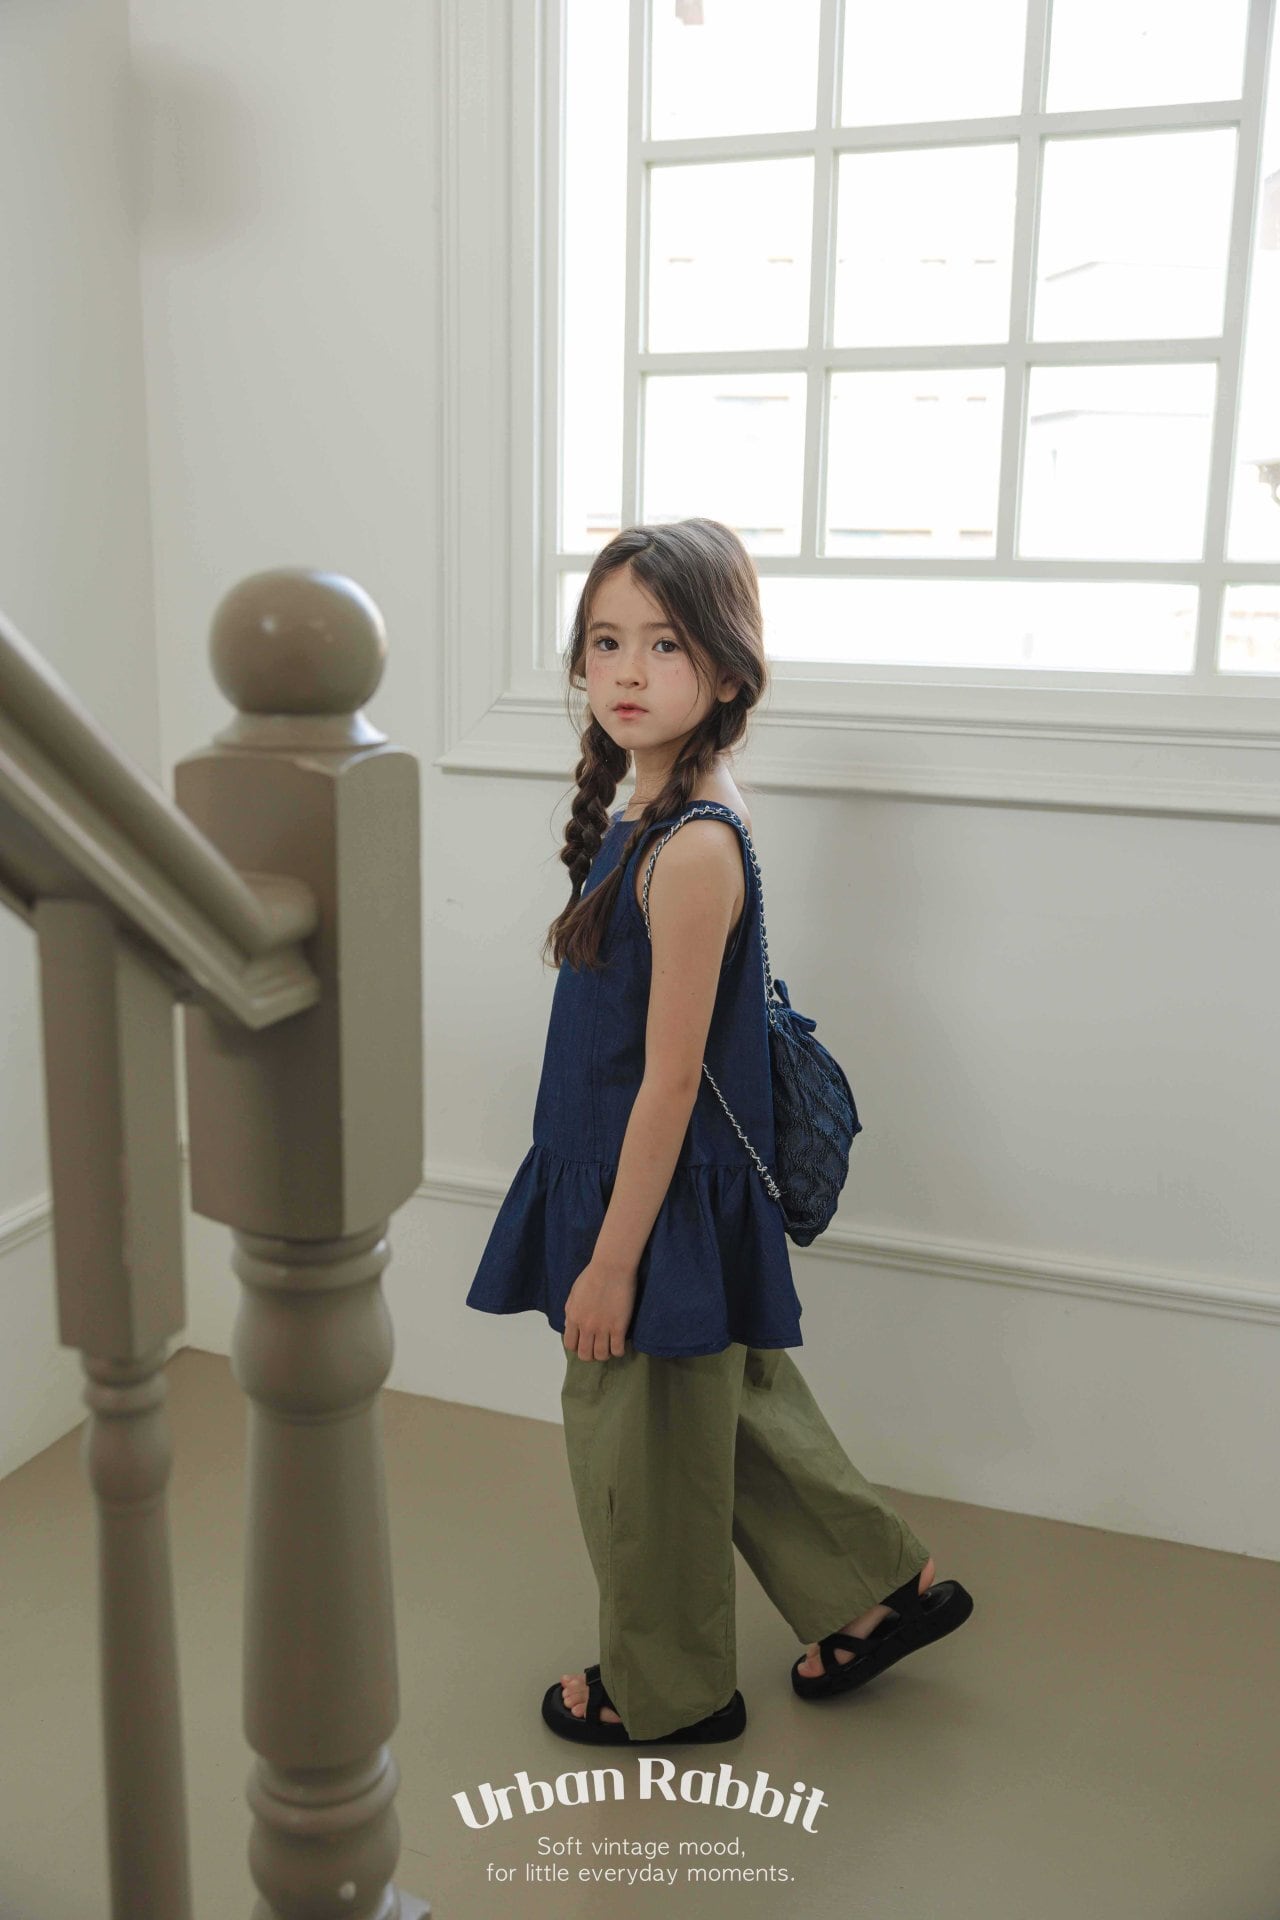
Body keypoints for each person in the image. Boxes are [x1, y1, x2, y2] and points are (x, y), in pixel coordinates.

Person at [466, 518, 973, 1746]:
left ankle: (670, 1688)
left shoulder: (691, 847)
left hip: (648, 1200)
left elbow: (671, 1080)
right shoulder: (664, 806)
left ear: (729, 671)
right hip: (661, 1188)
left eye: (664, 644)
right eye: (604, 642)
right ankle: (876, 1587)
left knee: (637, 1452)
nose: (626, 672)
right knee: (726, 1407)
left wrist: (610, 1261)